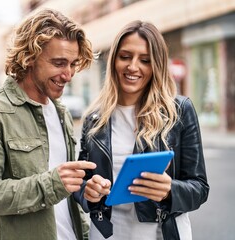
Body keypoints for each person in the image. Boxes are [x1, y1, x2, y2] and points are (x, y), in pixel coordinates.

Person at [0, 9, 96, 240]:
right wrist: (51, 184)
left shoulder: (60, 112)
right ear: (29, 56)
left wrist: (85, 188)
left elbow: (63, 188)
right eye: (59, 63)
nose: (69, 74)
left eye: (73, 64)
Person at [74, 20, 209, 240]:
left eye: (145, 60)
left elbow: (200, 188)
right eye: (125, 56)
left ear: (157, 65)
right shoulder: (94, 118)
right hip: (107, 233)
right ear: (114, 60)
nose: (133, 67)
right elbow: (81, 181)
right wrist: (88, 192)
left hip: (161, 233)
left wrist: (169, 190)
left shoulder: (179, 111)